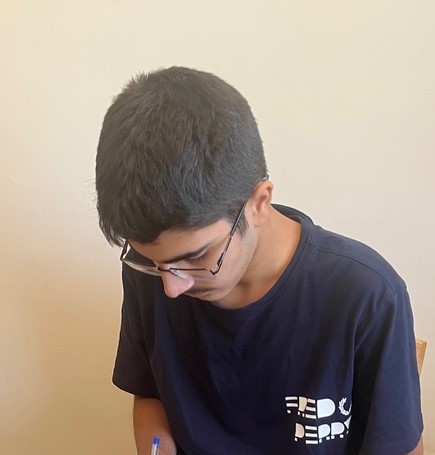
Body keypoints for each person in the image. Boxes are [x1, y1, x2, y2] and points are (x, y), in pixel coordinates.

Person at [95, 67, 423, 454]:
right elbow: (150, 392)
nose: (171, 286)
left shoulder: (366, 295)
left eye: (196, 257)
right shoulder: (154, 267)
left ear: (259, 203)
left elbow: (398, 445)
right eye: (151, 261)